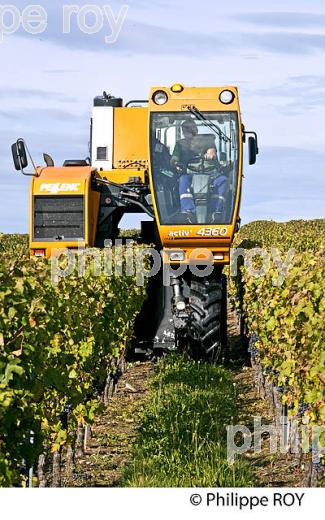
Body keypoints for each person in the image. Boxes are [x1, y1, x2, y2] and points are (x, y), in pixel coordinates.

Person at [171, 119, 223, 219]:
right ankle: (188, 211)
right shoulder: (180, 144)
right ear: (183, 132)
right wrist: (175, 162)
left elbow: (212, 151)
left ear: (196, 129)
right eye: (186, 130)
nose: (189, 132)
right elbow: (174, 158)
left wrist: (210, 154)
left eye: (191, 128)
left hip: (211, 174)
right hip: (190, 174)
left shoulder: (207, 140)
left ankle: (215, 211)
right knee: (182, 180)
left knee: (222, 180)